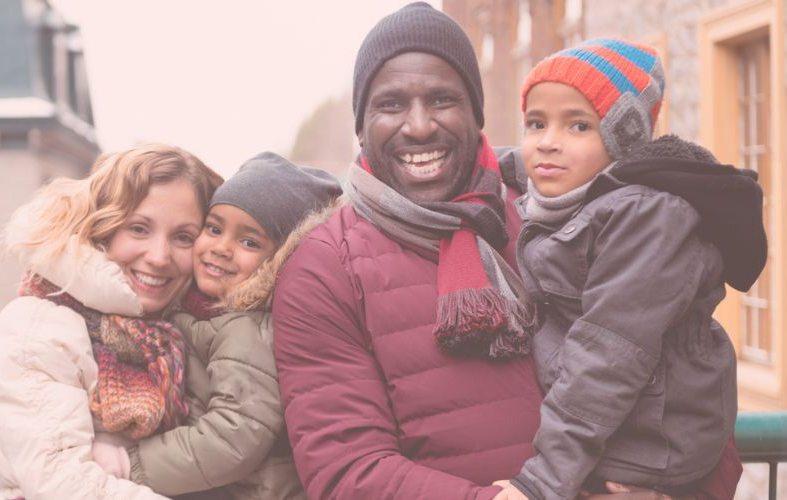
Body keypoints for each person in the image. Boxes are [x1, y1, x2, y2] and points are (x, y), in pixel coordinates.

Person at [271, 3, 744, 499]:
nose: (419, 126)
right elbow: (347, 471)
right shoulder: (324, 269)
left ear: (476, 114)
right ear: (361, 127)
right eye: (390, 104)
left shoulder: (563, 213)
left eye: (442, 99)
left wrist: (680, 492)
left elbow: (688, 368)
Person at [490, 38, 765, 500]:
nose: (548, 142)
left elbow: (608, 355)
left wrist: (540, 483)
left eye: (579, 125)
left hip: (646, 446)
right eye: (535, 123)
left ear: (623, 137)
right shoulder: (574, 200)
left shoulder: (647, 217)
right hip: (613, 436)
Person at [0, 144, 223, 500]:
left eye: (183, 237)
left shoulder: (179, 329)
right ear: (101, 227)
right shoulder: (38, 324)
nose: (159, 257)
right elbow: (59, 482)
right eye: (139, 228)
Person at [121, 152, 342, 500]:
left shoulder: (247, 328)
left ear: (279, 260)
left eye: (249, 241)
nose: (222, 248)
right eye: (214, 228)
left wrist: (132, 464)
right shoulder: (199, 309)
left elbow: (235, 436)